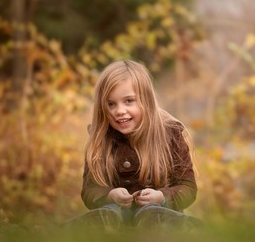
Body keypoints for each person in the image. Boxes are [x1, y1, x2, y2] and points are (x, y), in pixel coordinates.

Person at [70, 60, 200, 232]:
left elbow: (187, 188)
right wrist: (110, 195)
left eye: (129, 101)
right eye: (111, 104)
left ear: (146, 101)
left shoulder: (170, 134)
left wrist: (161, 196)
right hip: (117, 212)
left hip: (160, 209)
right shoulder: (100, 138)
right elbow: (89, 191)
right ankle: (87, 229)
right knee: (109, 214)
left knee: (152, 214)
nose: (119, 110)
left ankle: (177, 226)